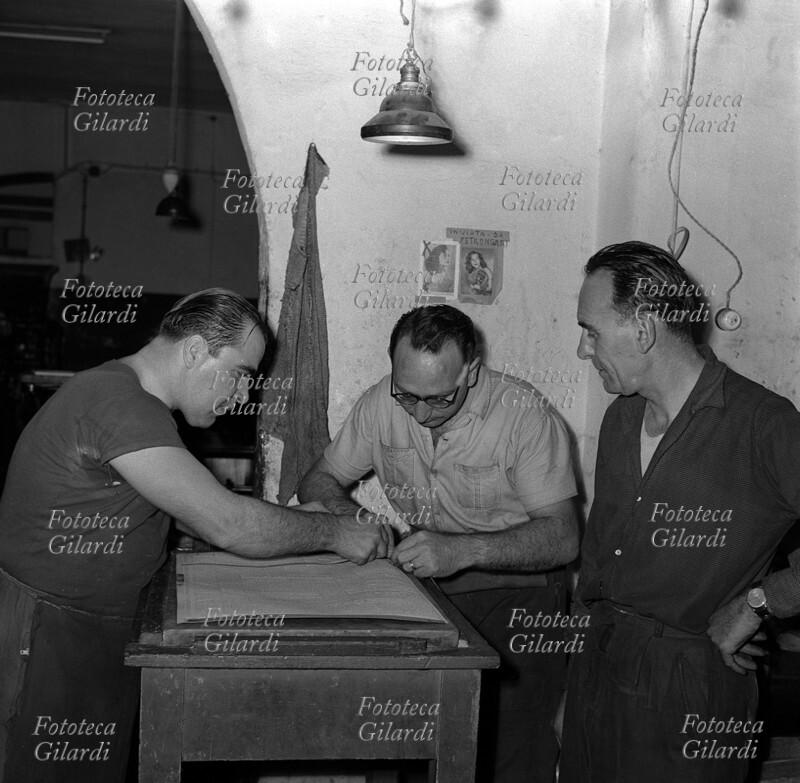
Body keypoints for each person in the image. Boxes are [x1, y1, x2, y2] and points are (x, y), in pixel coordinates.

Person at [0, 288, 389, 783]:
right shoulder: (119, 403)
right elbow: (225, 522)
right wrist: (333, 532)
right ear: (194, 351)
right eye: (244, 375)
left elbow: (182, 509)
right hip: (51, 632)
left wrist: (304, 522)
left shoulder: (128, 396)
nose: (246, 395)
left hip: (89, 627)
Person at [298, 304, 579, 783]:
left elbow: (563, 537)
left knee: (506, 753)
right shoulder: (379, 404)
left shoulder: (525, 416)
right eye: (408, 397)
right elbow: (317, 482)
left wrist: (461, 550)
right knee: (409, 740)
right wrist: (361, 521)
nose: (422, 414)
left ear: (471, 370)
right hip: (427, 589)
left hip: (520, 596)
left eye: (439, 399)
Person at [561, 241, 800, 782]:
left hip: (693, 691)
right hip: (598, 671)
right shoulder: (620, 420)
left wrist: (759, 601)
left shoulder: (764, 423)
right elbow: (596, 567)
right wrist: (571, 694)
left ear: (643, 329)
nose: (583, 349)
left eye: (590, 330)